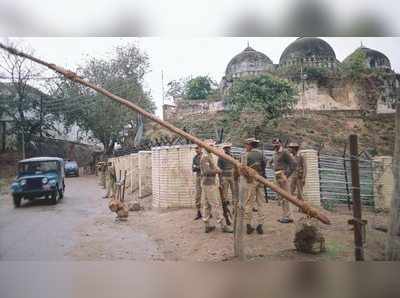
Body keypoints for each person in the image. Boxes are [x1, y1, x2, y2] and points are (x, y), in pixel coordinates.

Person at [200, 139, 233, 233]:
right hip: (209, 183)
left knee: (207, 205)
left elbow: (211, 168)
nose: (212, 147)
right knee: (216, 204)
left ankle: (207, 224)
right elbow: (207, 171)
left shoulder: (208, 155)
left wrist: (216, 169)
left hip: (207, 183)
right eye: (211, 146)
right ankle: (223, 225)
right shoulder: (205, 157)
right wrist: (217, 171)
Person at [242, 138, 266, 235]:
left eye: (246, 145)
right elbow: (264, 165)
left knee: (249, 202)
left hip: (250, 181)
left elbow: (243, 169)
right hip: (260, 179)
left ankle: (248, 224)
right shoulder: (261, 154)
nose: (245, 146)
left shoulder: (246, 155)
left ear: (250, 145)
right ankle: (260, 224)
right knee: (260, 203)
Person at [271, 139, 297, 223]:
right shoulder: (275, 153)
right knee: (282, 197)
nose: (276, 144)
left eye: (278, 143)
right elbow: (271, 163)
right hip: (277, 176)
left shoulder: (285, 152)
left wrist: (286, 175)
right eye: (274, 143)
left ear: (280, 144)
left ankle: (288, 217)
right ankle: (285, 215)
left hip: (282, 176)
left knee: (286, 196)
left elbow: (294, 164)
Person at [192, 145, 203, 220]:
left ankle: (209, 212)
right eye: (195, 148)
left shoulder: (204, 156)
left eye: (197, 148)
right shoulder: (195, 158)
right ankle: (199, 212)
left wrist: (197, 167)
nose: (196, 150)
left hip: (205, 177)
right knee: (198, 195)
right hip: (198, 177)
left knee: (207, 195)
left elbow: (204, 167)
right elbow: (193, 169)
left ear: (201, 148)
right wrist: (198, 167)